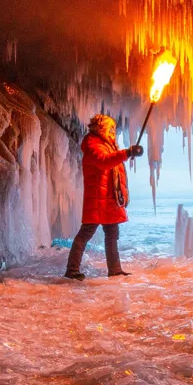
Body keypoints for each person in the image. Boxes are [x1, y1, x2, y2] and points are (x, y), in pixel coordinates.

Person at [65, 114, 144, 280]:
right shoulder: (93, 144)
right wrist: (127, 152)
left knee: (112, 234)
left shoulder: (108, 145)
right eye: (110, 129)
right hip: (97, 198)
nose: (113, 132)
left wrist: (127, 153)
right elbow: (104, 161)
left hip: (109, 198)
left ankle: (115, 270)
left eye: (114, 129)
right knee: (86, 233)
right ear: (101, 129)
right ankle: (72, 271)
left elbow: (113, 164)